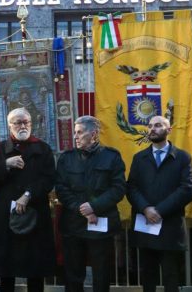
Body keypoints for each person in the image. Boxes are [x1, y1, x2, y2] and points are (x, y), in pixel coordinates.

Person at [0, 107, 56, 292]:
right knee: (6, 269)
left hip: (35, 212)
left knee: (35, 269)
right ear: (10, 126)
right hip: (5, 216)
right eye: (18, 122)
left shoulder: (43, 148)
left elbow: (48, 179)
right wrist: (5, 165)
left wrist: (28, 195)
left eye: (26, 122)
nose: (23, 125)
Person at [55, 115, 126, 292]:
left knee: (101, 274)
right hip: (73, 225)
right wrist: (84, 210)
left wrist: (94, 206)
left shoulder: (112, 156)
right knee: (73, 275)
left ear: (93, 134)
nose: (75, 137)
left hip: (101, 224)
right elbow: (62, 189)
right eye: (74, 133)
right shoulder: (67, 158)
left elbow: (118, 188)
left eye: (80, 132)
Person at [126, 115, 192, 292]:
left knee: (171, 278)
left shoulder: (182, 157)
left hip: (170, 227)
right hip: (146, 227)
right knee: (148, 277)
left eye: (158, 125)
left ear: (168, 130)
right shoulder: (139, 158)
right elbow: (132, 188)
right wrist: (146, 208)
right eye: (149, 126)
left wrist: (160, 210)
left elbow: (187, 189)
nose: (152, 129)